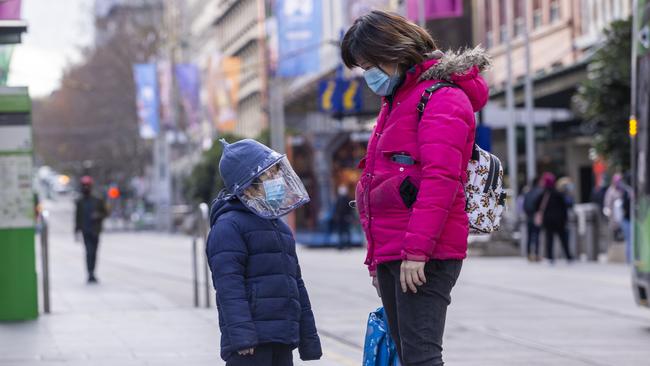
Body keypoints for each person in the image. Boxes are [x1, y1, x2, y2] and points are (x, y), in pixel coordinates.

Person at [342, 10, 490, 365]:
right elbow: (380, 181)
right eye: (362, 68)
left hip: (426, 254)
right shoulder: (396, 101)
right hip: (396, 250)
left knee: (420, 357)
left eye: (369, 65)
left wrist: (417, 253)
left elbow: (441, 181)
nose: (369, 76)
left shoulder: (441, 99)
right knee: (406, 354)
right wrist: (375, 261)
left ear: (393, 51)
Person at [206, 139, 322, 366]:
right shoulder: (229, 226)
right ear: (247, 184)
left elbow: (296, 284)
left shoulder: (279, 226)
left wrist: (308, 339)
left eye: (277, 173)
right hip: (250, 346)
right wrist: (242, 337)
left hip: (282, 338)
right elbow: (229, 288)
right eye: (269, 175)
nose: (276, 180)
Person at [74, 176, 108, 283]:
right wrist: (76, 230)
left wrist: (98, 215)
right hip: (86, 231)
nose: (86, 187)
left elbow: (105, 212)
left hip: (95, 230)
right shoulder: (80, 202)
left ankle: (92, 272)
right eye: (84, 185)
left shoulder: (98, 200)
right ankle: (90, 273)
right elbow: (77, 217)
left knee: (94, 252)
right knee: (89, 252)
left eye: (87, 185)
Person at [536, 173, 573, 264]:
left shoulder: (543, 194)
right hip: (560, 221)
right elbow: (565, 207)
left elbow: (536, 206)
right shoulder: (558, 193)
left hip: (548, 221)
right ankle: (568, 257)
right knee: (563, 239)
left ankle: (550, 257)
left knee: (549, 240)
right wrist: (565, 219)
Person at [523, 176, 543, 262]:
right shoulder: (540, 192)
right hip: (537, 217)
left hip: (529, 217)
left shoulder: (528, 193)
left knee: (529, 237)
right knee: (537, 236)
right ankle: (537, 254)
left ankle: (528, 254)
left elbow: (524, 206)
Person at [332, 185, 354, 249]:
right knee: (341, 232)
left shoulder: (347, 199)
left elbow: (350, 208)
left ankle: (348, 245)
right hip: (340, 218)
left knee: (347, 232)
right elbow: (336, 208)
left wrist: (350, 216)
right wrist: (336, 216)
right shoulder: (338, 199)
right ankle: (340, 245)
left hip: (346, 217)